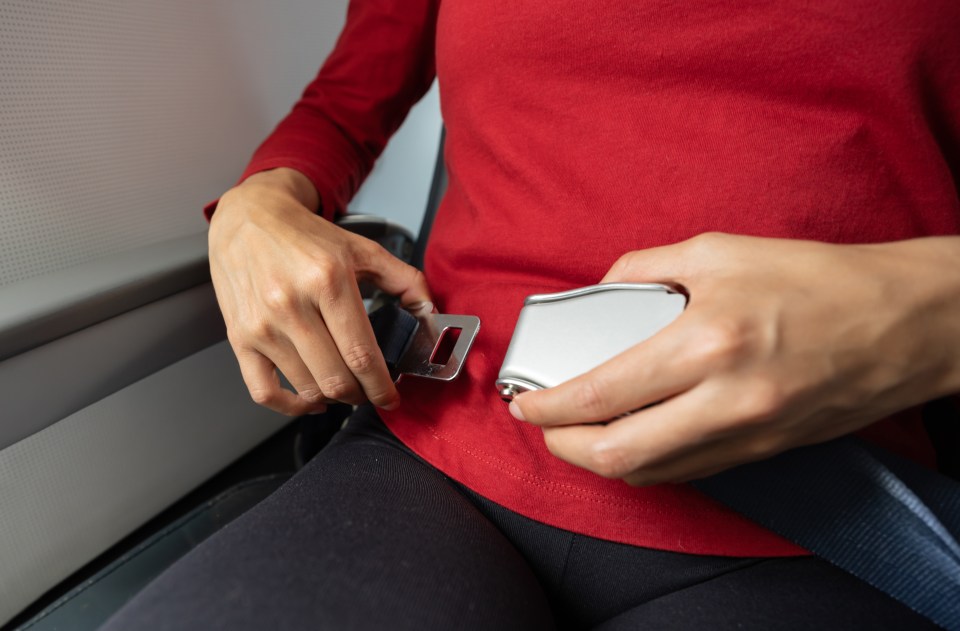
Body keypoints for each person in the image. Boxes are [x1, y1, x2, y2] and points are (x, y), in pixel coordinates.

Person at [103, 1, 960, 629]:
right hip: (438, 455)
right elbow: (339, 106)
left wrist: (934, 311)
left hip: (829, 511)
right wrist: (258, 205)